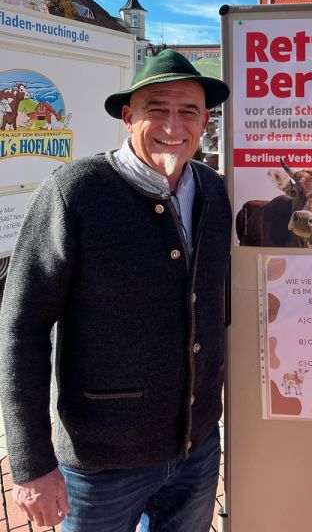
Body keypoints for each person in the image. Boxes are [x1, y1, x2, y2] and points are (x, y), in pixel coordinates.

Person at [0, 49, 232, 532]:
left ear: (204, 121)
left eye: (188, 110)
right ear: (128, 118)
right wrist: (30, 464)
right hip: (101, 460)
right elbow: (22, 327)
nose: (174, 124)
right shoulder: (76, 191)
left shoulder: (213, 189)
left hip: (196, 449)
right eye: (157, 110)